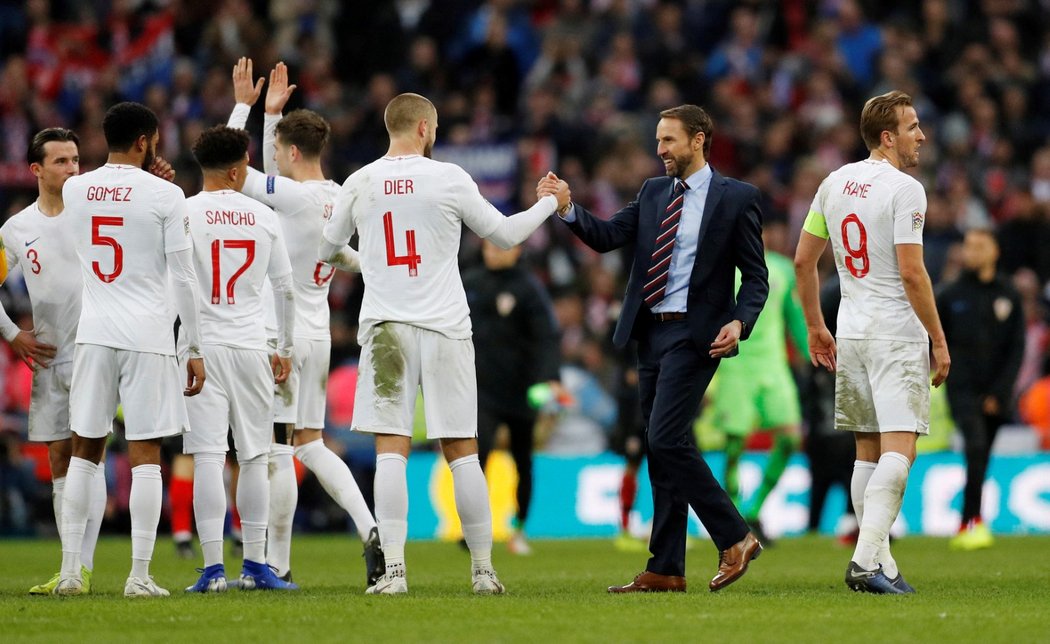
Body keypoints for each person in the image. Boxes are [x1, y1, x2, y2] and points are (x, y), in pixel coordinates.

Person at [319, 92, 570, 595]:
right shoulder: (450, 178)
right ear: (426, 129)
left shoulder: (360, 180)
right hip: (446, 328)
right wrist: (550, 202)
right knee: (462, 453)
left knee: (391, 450)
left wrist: (368, 264)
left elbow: (327, 251)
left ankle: (393, 575)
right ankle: (483, 573)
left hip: (386, 328)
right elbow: (502, 236)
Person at [557, 104, 769, 594]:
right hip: (649, 333)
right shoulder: (654, 192)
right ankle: (667, 567)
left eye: (668, 140)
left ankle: (735, 537)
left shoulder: (738, 198)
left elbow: (756, 277)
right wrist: (568, 208)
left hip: (697, 337)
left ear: (698, 139)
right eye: (658, 141)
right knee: (659, 448)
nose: (659, 150)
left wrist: (740, 320)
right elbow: (609, 236)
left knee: (666, 438)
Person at [226, 58, 381, 585]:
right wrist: (273, 117)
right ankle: (367, 526)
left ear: (293, 152)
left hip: (277, 337)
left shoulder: (291, 197)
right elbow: (348, 256)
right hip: (317, 333)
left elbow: (229, 167)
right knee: (308, 444)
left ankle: (272, 562)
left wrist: (244, 108)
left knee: (273, 450)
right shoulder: (339, 197)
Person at [794, 90, 951, 595]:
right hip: (895, 334)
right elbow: (912, 272)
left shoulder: (833, 183)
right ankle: (865, 560)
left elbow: (802, 261)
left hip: (851, 330)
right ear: (888, 137)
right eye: (913, 127)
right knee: (899, 450)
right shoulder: (906, 190)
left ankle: (879, 564)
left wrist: (816, 326)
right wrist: (938, 340)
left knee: (866, 451)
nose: (921, 136)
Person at [55, 101, 207, 597]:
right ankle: (139, 576)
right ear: (146, 141)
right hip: (148, 336)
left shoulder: (75, 188)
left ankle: (72, 572)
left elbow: (111, 202)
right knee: (146, 456)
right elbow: (183, 276)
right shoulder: (167, 194)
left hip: (94, 332)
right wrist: (196, 346)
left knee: (85, 452)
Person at [181, 125, 299, 592]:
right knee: (254, 456)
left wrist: (187, 347)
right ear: (236, 169)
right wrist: (284, 347)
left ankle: (212, 571)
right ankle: (255, 565)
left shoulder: (184, 213)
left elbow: (178, 285)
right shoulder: (263, 216)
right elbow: (285, 288)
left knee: (208, 457)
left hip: (201, 347)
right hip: (252, 346)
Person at [0, 128, 107, 594]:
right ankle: (69, 568)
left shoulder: (96, 212)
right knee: (60, 458)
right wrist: (12, 335)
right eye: (61, 161)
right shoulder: (17, 229)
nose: (72, 170)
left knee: (89, 457)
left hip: (97, 350)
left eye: (76, 160)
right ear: (37, 170)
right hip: (49, 355)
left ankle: (77, 569)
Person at [463, 239, 562, 556]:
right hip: (482, 389)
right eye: (488, 246)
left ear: (517, 250)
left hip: (521, 389)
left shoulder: (529, 288)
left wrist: (550, 377)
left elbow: (547, 335)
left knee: (523, 460)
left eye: (500, 245)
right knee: (479, 457)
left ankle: (518, 528)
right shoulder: (470, 283)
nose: (492, 250)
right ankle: (475, 529)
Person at [714, 219, 808, 544]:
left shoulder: (783, 269)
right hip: (735, 365)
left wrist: (814, 354)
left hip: (773, 365)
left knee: (790, 439)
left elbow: (795, 316)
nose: (775, 237)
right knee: (734, 446)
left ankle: (753, 510)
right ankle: (736, 518)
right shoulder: (728, 267)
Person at [936, 228, 1024, 551]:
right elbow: (935, 338)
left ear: (994, 251)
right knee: (974, 445)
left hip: (996, 393)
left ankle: (970, 520)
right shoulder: (950, 294)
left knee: (982, 454)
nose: (970, 252)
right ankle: (970, 521)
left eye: (978, 246)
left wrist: (1000, 393)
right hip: (961, 389)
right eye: (967, 246)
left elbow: (1017, 348)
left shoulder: (1009, 294)